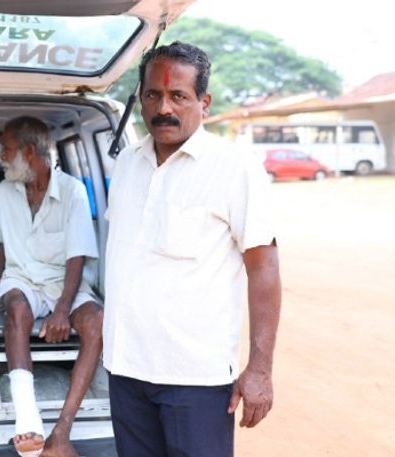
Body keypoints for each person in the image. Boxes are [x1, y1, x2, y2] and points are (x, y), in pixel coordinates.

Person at [103, 41, 282, 457]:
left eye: (178, 96)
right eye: (153, 95)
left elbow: (264, 267)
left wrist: (260, 368)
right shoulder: (128, 163)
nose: (163, 107)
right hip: (125, 368)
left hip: (193, 378)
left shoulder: (233, 167)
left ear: (204, 102)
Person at [0, 116, 103, 457]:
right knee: (16, 307)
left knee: (96, 323)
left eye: (6, 149)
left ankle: (62, 430)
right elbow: (4, 246)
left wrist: (63, 309)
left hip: (64, 282)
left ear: (29, 152)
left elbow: (76, 256)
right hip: (21, 279)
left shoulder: (73, 191)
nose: (1, 156)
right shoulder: (4, 192)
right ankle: (27, 420)